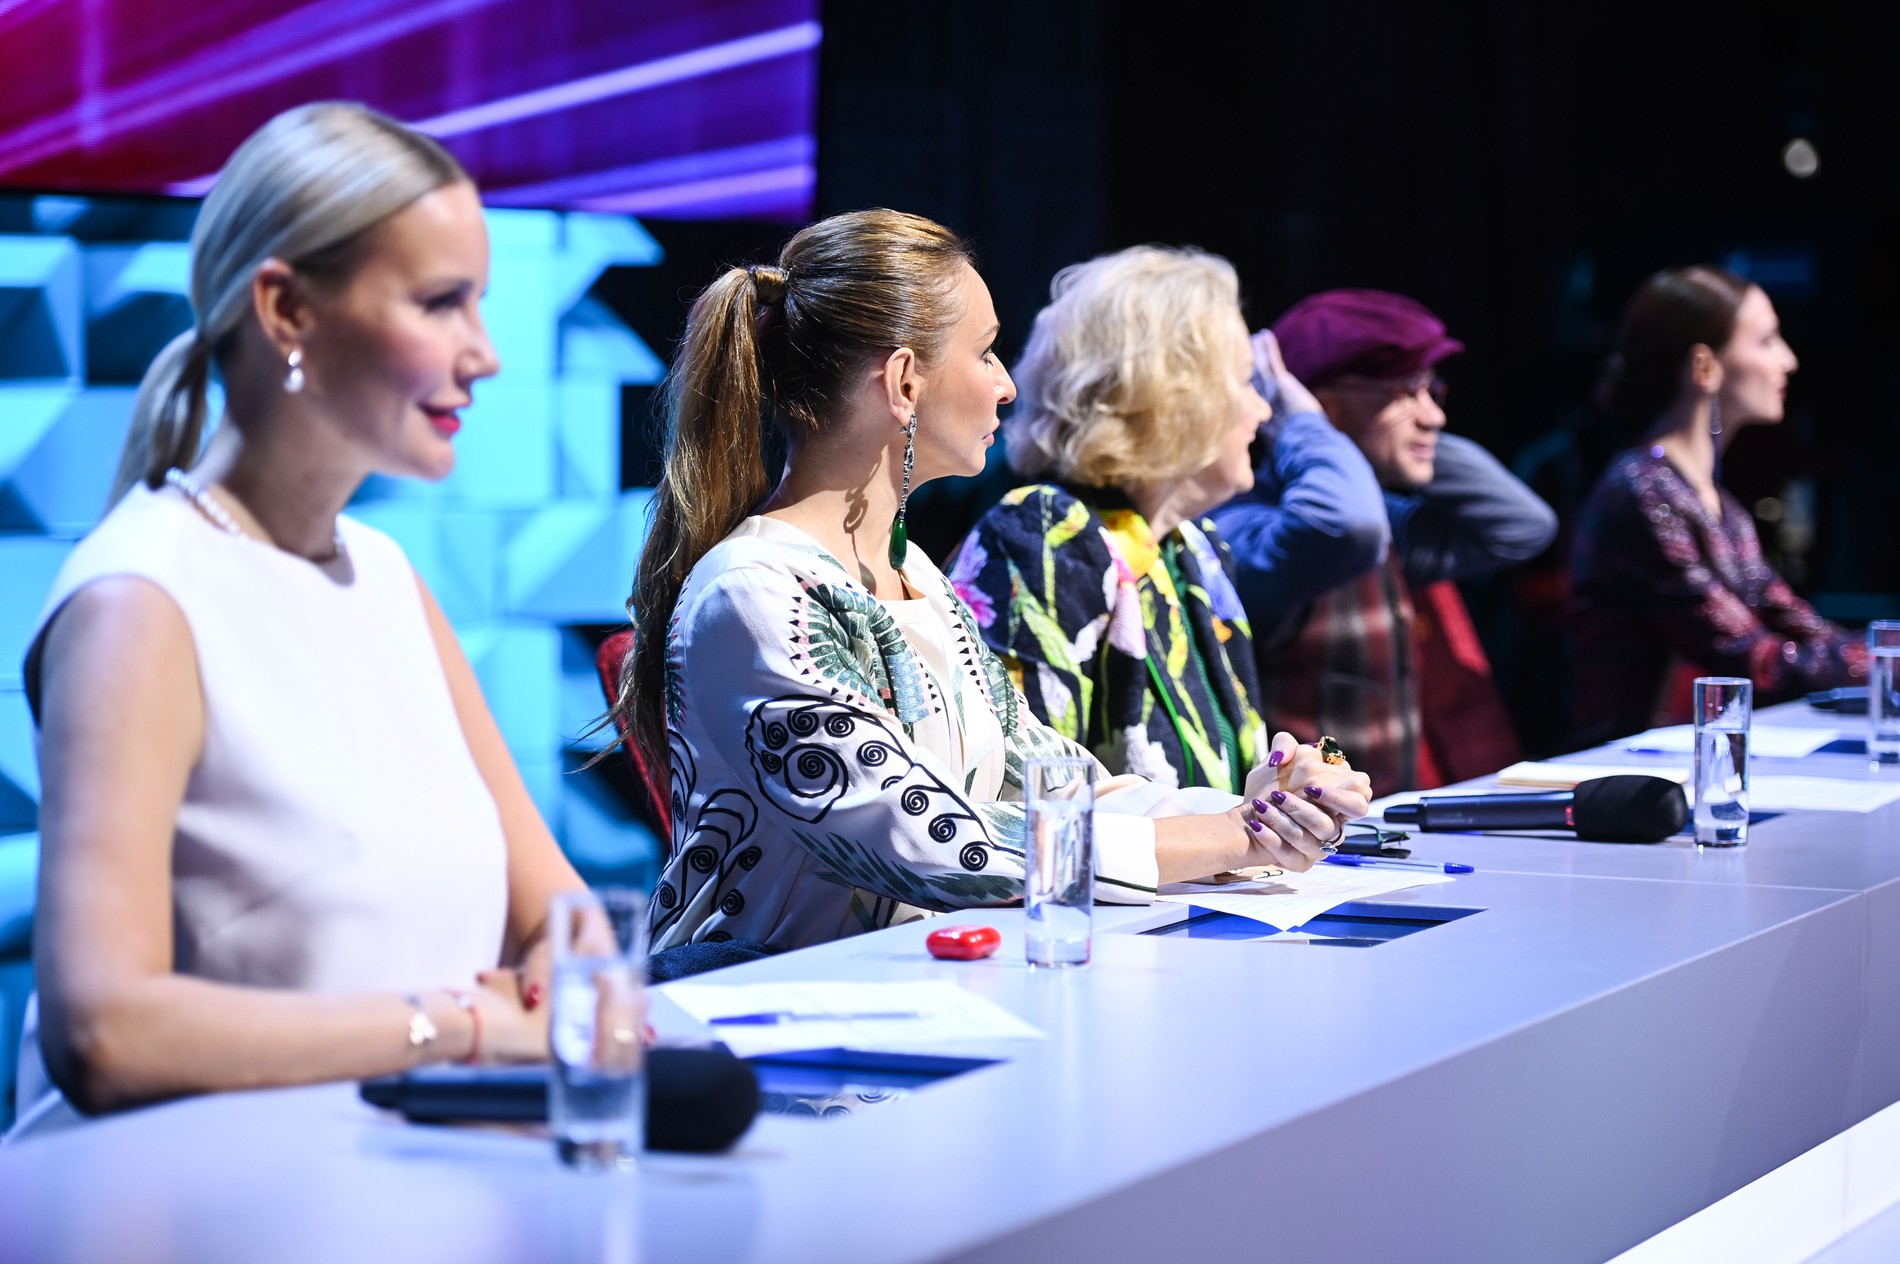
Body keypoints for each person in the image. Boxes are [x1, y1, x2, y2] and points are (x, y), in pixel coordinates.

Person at [14, 103, 585, 1135]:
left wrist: (561, 982)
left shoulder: (388, 575)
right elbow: (104, 1031)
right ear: (285, 309)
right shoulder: (139, 601)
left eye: (479, 303)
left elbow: (563, 916)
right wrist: (460, 1028)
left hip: (404, 1186)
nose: (484, 353)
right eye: (441, 303)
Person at [611, 212, 1372, 954]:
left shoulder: (916, 575)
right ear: (904, 383)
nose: (1007, 386)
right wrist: (1234, 834)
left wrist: (1263, 812)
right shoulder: (754, 591)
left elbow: (1057, 784)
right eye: (985, 353)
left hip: (915, 994)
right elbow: (937, 846)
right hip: (770, 1013)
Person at [951, 246, 1281, 793]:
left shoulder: (1195, 547)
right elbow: (1034, 795)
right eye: (1245, 381)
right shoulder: (1045, 535)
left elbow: (1228, 790)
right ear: (1174, 398)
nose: (1262, 410)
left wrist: (1287, 790)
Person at [1212, 290, 1558, 792]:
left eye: (1432, 389)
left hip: (1379, 823)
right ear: (1319, 404)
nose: (1434, 416)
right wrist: (1308, 427)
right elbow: (1344, 525)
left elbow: (1522, 526)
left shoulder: (1376, 514)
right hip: (1298, 829)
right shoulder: (1245, 525)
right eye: (1403, 392)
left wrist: (1366, 442)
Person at [1572, 266, 1867, 740]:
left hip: (1688, 757)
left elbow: (1799, 625)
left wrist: (1881, 657)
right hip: (1626, 768)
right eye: (1767, 341)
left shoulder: (1720, 505)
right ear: (1704, 367)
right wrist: (1881, 665)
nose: (1788, 361)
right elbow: (1757, 660)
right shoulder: (1642, 494)